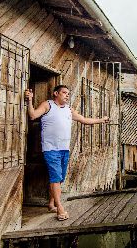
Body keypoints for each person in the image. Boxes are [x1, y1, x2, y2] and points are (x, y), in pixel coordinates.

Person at [25, 85, 109, 221]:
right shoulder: (48, 105)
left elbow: (84, 120)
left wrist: (101, 120)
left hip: (64, 149)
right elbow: (33, 115)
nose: (67, 95)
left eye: (68, 93)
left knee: (60, 178)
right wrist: (30, 101)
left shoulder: (69, 110)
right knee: (55, 178)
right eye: (64, 93)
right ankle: (60, 208)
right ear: (55, 93)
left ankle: (51, 204)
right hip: (51, 149)